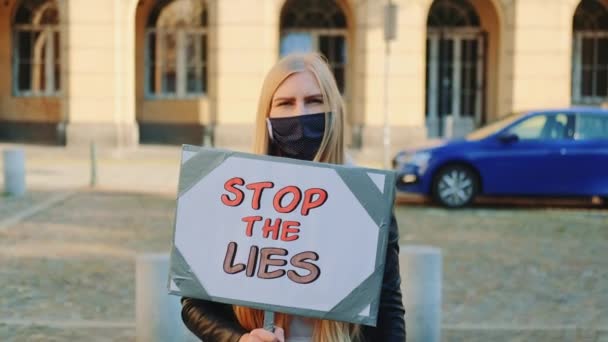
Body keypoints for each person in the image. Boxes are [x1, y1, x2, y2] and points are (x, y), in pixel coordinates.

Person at [181, 52, 405, 342]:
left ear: (334, 109)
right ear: (268, 115)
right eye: (285, 103)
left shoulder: (368, 198)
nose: (300, 114)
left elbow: (388, 306)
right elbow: (194, 303)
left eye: (314, 101)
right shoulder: (238, 192)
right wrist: (238, 339)